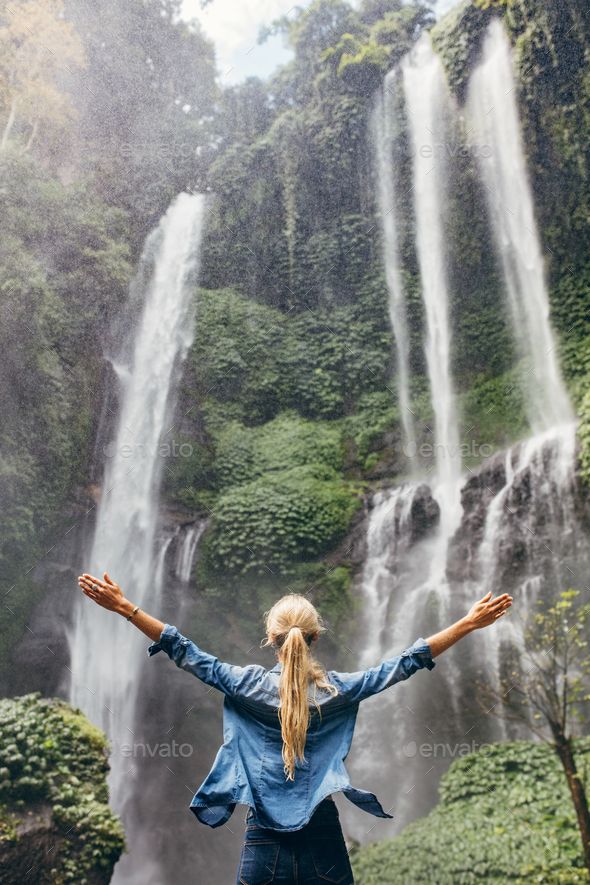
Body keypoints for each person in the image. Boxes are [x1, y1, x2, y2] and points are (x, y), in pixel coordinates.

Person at [77, 571, 512, 884]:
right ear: (314, 638)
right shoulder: (340, 691)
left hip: (263, 838)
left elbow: (185, 651)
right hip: (323, 836)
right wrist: (469, 622)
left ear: (271, 638)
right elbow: (404, 664)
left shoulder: (244, 684)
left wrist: (124, 607)